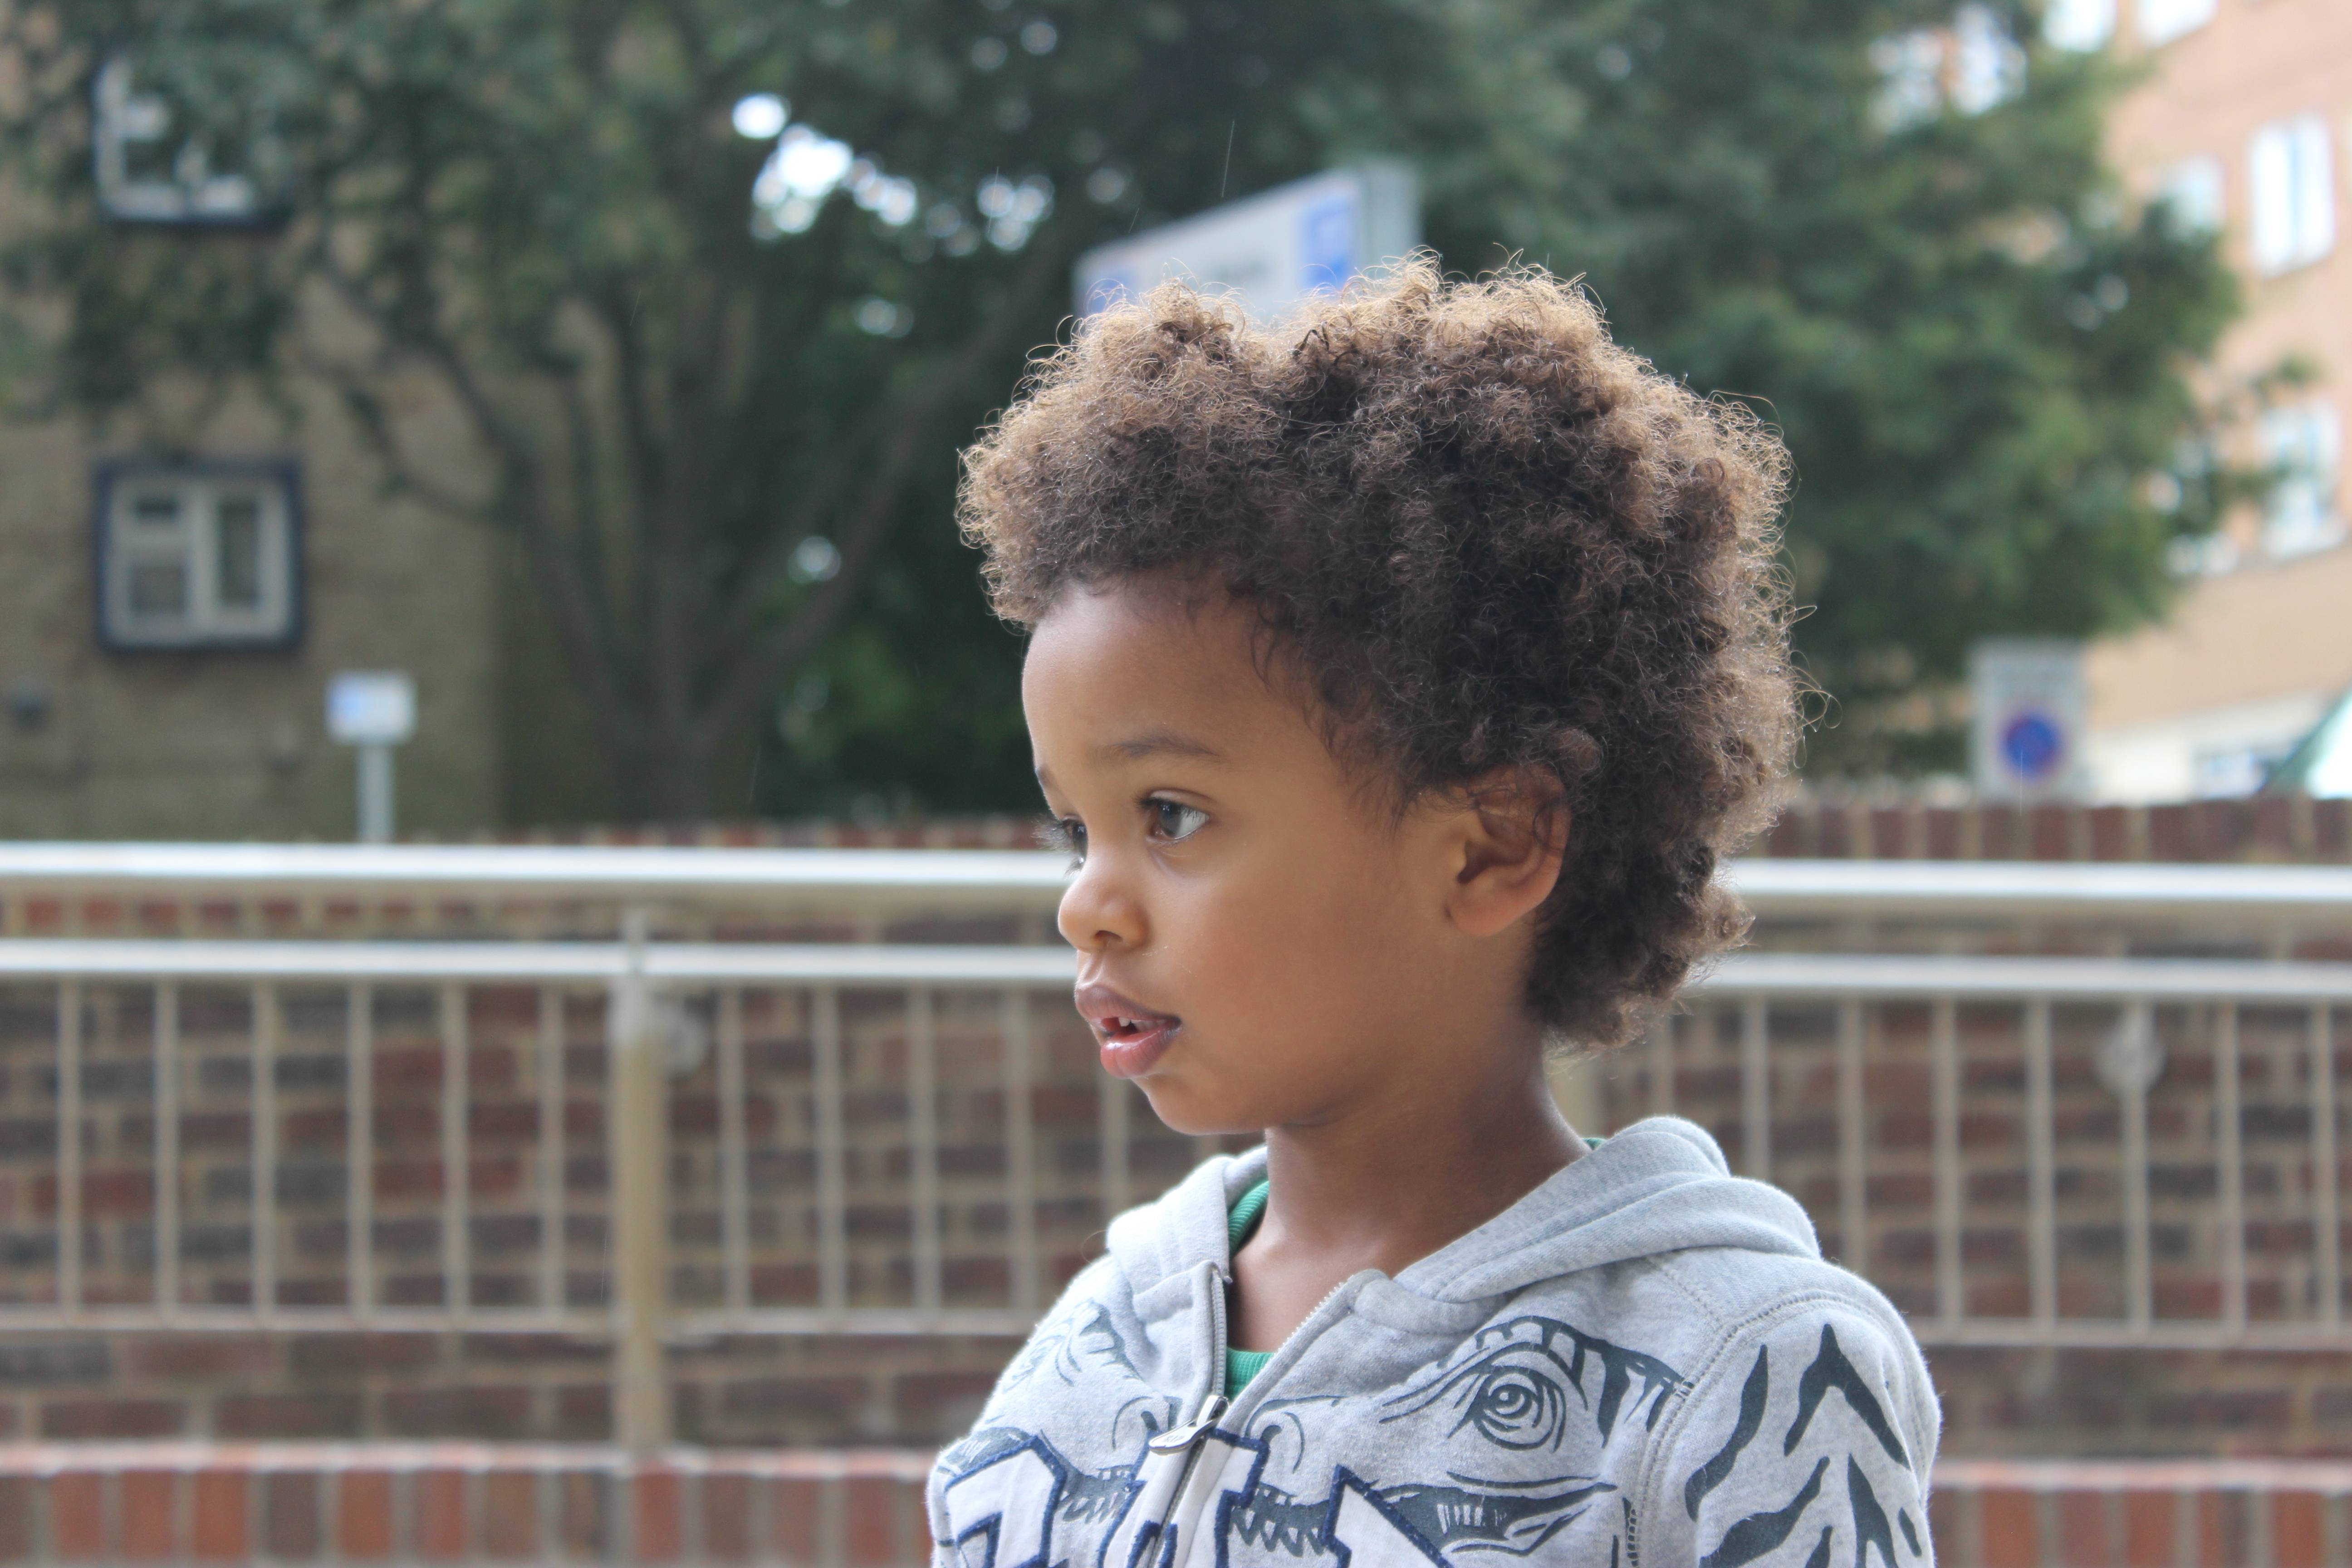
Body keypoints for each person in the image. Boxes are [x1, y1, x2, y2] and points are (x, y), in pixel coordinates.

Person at [928, 260, 1937, 1568]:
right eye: (1077, 830)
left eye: (1170, 815)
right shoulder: (1091, 1352)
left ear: (1490, 850)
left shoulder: (1739, 1374)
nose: (1087, 905)